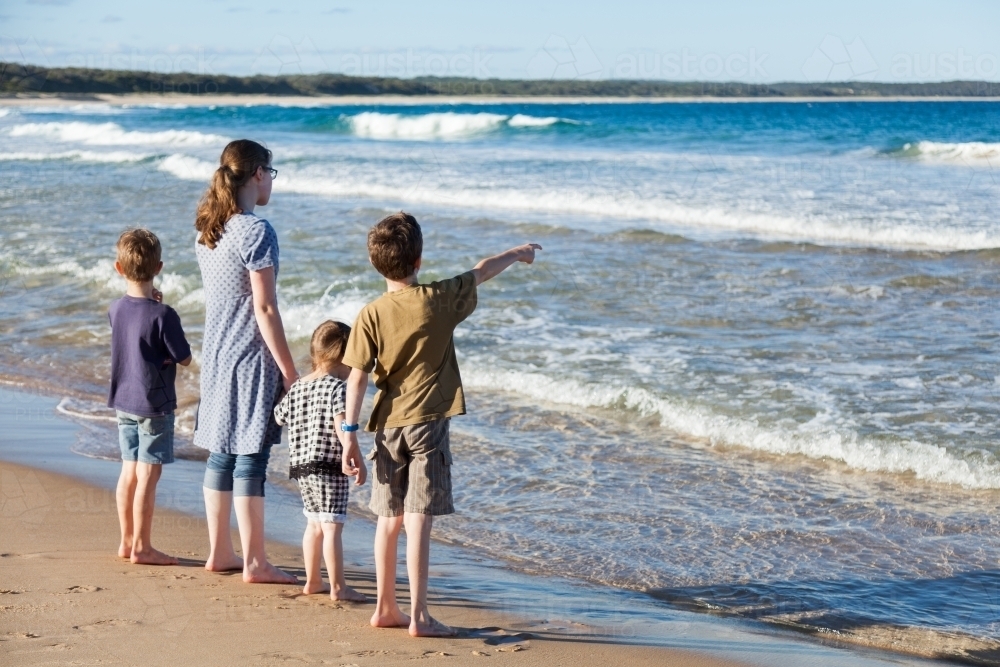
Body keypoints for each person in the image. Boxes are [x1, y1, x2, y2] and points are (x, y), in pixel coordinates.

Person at [341, 211, 541, 637]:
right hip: (428, 424)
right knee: (419, 518)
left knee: (387, 518)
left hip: (386, 426)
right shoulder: (437, 298)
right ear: (418, 261)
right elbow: (481, 271)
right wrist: (518, 253)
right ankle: (419, 617)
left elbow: (356, 378)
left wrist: (349, 437)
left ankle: (384, 608)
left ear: (376, 263)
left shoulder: (370, 314)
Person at [193, 139, 298, 584]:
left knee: (221, 454)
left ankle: (220, 552)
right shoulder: (256, 231)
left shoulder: (207, 230)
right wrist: (292, 373)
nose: (271, 181)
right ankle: (255, 562)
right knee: (250, 458)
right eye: (270, 173)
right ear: (257, 174)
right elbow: (266, 309)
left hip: (216, 353)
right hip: (250, 356)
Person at [109, 228, 192, 566]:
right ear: (159, 267)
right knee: (149, 475)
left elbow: (133, 335)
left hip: (123, 400)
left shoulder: (115, 309)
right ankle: (143, 548)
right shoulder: (164, 315)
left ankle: (127, 541)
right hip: (154, 404)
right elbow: (184, 357)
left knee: (129, 471)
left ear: (119, 268)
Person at [274, 321, 368, 601]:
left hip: (302, 466)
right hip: (329, 465)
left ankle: (313, 580)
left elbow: (279, 416)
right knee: (332, 526)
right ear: (347, 355)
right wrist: (355, 456)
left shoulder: (299, 386)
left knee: (314, 524)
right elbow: (342, 426)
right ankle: (338, 587)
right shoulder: (338, 388)